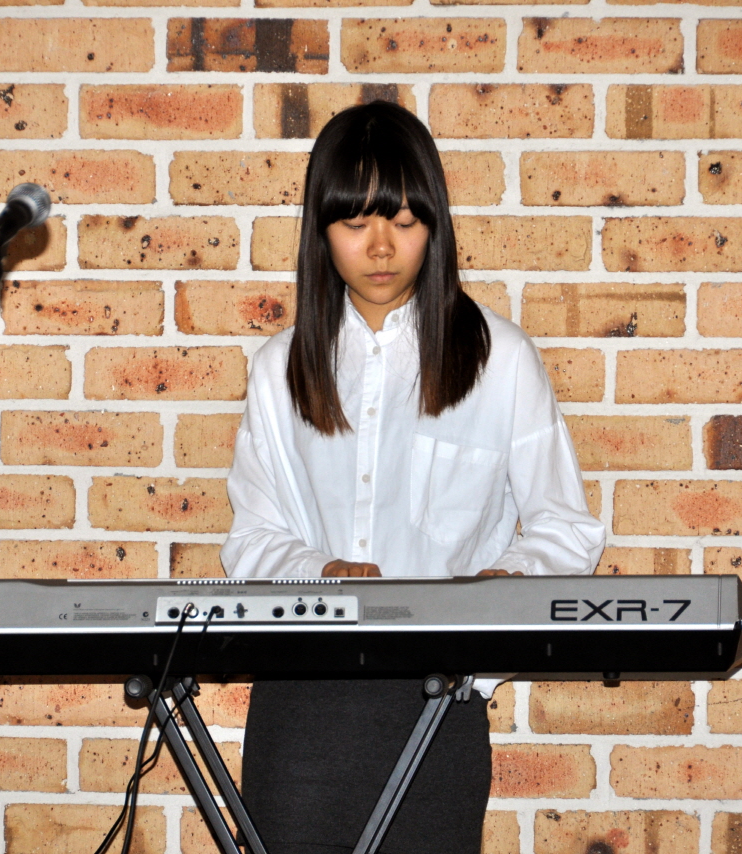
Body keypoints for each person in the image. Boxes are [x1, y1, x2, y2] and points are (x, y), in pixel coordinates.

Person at [220, 101, 605, 854]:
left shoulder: (501, 360)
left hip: (440, 704)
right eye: (354, 222)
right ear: (321, 230)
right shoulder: (278, 370)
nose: (381, 246)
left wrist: (495, 590)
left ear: (434, 224)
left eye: (403, 220)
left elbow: (566, 530)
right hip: (302, 713)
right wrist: (322, 573)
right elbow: (250, 540)